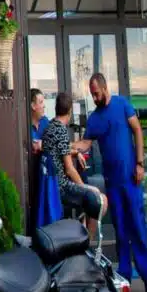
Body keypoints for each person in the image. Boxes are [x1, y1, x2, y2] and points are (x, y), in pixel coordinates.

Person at [72, 73, 147, 292]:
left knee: (137, 226)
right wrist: (66, 146)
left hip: (131, 178)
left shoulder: (122, 104)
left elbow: (137, 130)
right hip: (113, 183)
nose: (94, 97)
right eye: (92, 94)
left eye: (96, 93)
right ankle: (124, 277)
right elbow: (85, 143)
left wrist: (140, 163)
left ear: (104, 88)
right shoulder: (94, 118)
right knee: (120, 229)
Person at [41, 91, 108, 244]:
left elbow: (60, 150)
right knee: (100, 200)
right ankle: (86, 244)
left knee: (93, 197)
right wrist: (85, 188)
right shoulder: (61, 130)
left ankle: (80, 233)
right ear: (70, 111)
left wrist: (75, 153)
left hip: (52, 185)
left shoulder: (50, 127)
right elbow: (70, 169)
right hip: (61, 187)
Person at [31, 88, 62, 227]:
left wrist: (77, 152)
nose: (44, 105)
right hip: (32, 178)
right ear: (33, 106)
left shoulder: (45, 122)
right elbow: (33, 147)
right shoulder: (25, 126)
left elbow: (57, 143)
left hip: (47, 177)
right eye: (41, 102)